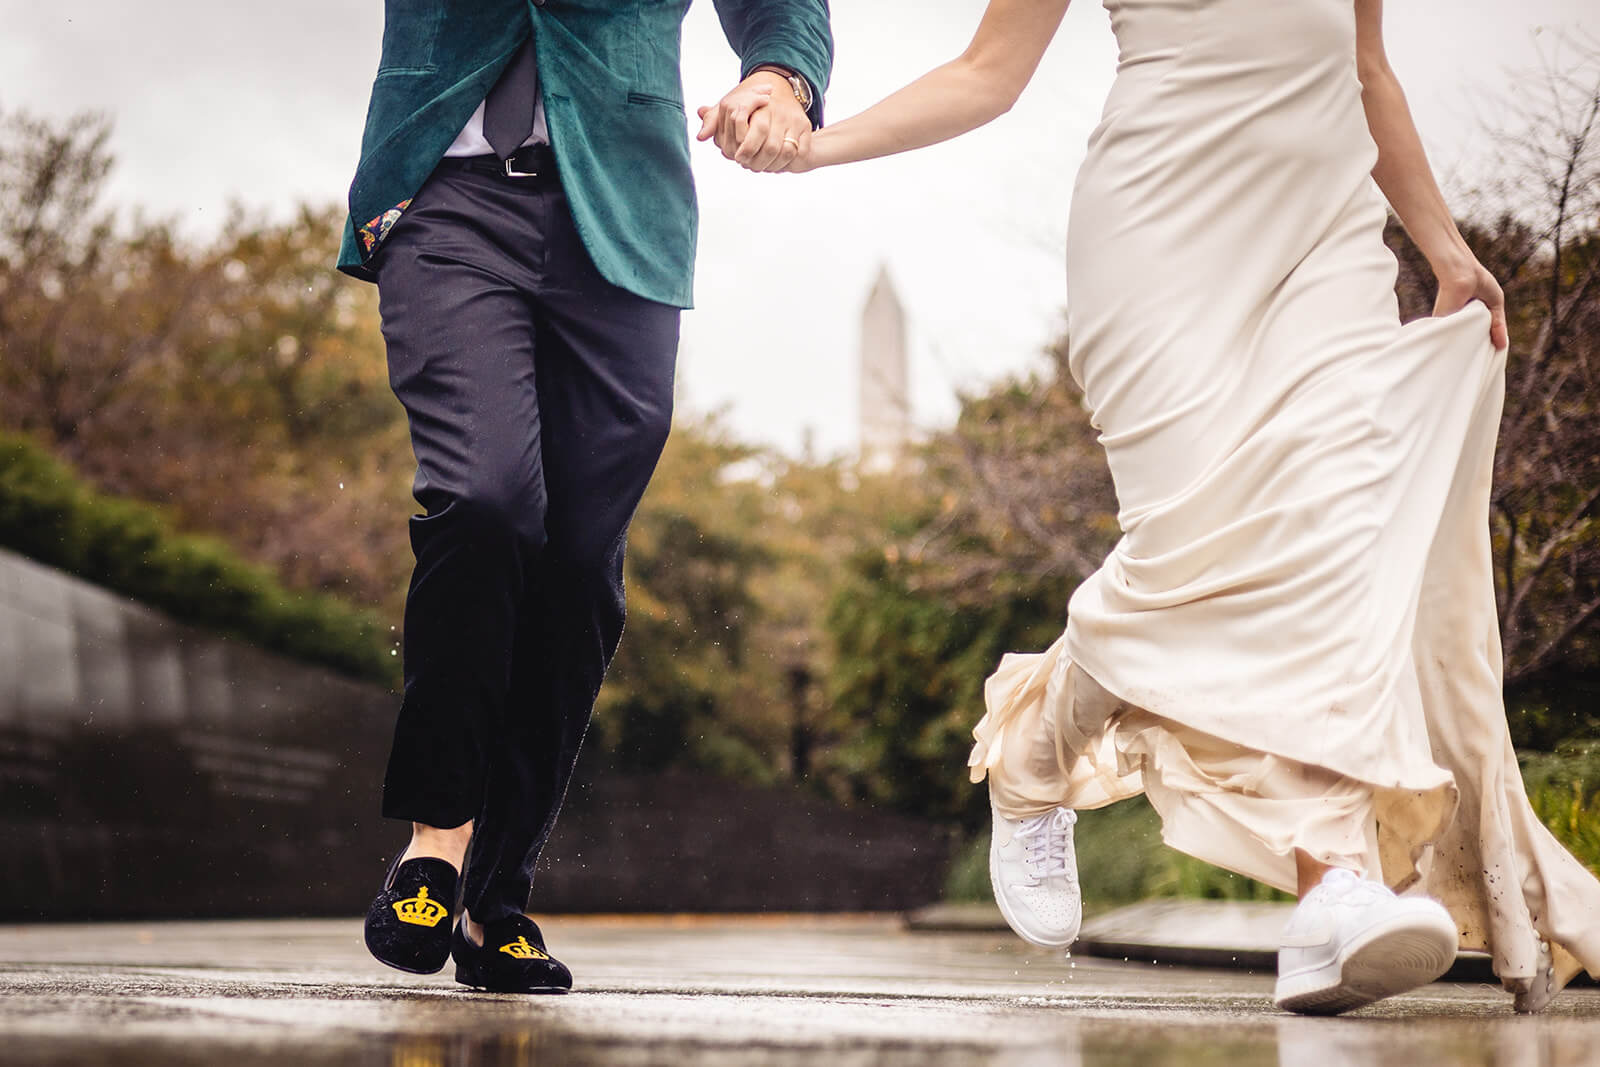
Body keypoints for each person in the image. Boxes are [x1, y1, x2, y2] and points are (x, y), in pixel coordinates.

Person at [704, 0, 1600, 1014]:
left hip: (1326, 248)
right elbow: (987, 73)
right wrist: (816, 150)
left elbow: (1366, 70)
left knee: (1329, 547)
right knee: (1191, 555)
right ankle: (1038, 744)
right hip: (1160, 246)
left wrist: (1440, 246)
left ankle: (1333, 890)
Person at [340, 0, 832, 994]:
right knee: (483, 500)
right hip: (446, 196)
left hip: (627, 217)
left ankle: (495, 899)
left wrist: (779, 75)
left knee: (576, 563)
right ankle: (437, 839)